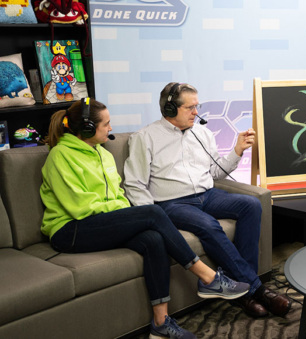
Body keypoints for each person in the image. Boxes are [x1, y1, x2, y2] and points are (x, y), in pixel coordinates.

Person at [40, 98, 251, 339]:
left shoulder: (103, 154)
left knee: (153, 239)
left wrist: (123, 211)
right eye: (106, 124)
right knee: (152, 212)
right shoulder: (60, 156)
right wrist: (125, 213)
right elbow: (80, 207)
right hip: (69, 231)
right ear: (87, 128)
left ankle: (160, 325)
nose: (111, 129)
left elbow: (118, 195)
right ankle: (208, 277)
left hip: (97, 223)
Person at [123, 82, 291, 318]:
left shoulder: (202, 132)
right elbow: (135, 183)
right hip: (173, 203)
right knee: (208, 225)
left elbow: (215, 173)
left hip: (208, 195)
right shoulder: (145, 137)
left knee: (251, 205)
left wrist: (237, 150)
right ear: (170, 109)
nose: (196, 112)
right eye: (190, 108)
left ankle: (243, 291)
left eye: (197, 106)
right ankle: (256, 291)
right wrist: (152, 218)